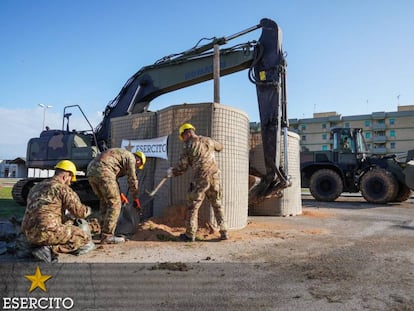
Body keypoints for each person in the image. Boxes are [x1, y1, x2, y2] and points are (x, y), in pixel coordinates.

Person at [21, 160, 95, 263]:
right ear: (66, 176)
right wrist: (90, 210)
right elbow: (80, 213)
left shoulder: (35, 187)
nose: (70, 183)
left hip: (27, 232)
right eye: (70, 179)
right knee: (83, 237)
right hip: (46, 232)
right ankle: (50, 249)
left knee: (61, 224)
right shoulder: (63, 189)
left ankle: (31, 246)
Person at [168, 123, 228, 242]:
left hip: (201, 178)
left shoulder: (188, 146)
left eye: (183, 136)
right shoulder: (208, 140)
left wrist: (172, 172)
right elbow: (220, 147)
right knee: (217, 204)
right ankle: (224, 231)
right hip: (215, 176)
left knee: (193, 206)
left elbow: (182, 167)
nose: (183, 139)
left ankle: (190, 235)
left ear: (188, 133)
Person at [87, 148, 146, 244]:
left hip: (91, 171)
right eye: (138, 166)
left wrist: (121, 195)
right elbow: (132, 180)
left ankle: (102, 231)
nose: (136, 167)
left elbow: (114, 180)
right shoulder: (131, 158)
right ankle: (107, 236)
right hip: (104, 171)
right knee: (115, 204)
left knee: (104, 202)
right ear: (138, 160)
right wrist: (135, 198)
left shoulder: (119, 155)